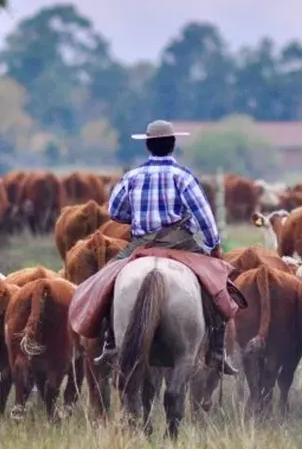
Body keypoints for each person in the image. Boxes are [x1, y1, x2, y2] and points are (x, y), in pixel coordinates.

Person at [94, 119, 238, 376]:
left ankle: (110, 342)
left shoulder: (131, 177)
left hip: (141, 243)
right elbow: (204, 216)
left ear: (148, 146)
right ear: (172, 145)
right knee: (217, 286)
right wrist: (214, 245)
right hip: (180, 242)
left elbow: (115, 211)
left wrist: (138, 218)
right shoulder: (184, 177)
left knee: (107, 281)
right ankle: (217, 349)